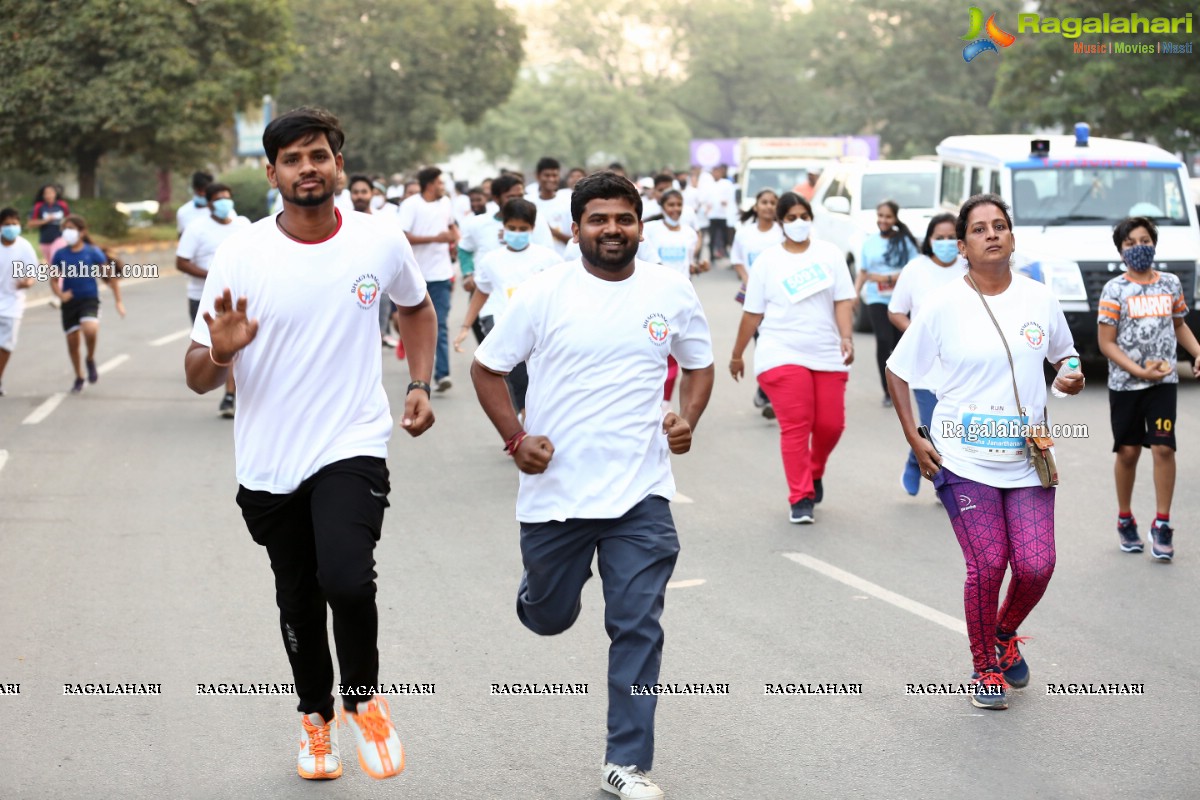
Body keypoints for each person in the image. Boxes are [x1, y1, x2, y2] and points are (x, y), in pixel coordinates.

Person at [184, 107, 438, 781]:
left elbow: (415, 305)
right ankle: (315, 723)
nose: (307, 168)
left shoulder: (378, 240)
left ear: (338, 165)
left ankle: (363, 699)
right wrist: (221, 350)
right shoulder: (242, 252)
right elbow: (195, 377)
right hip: (269, 460)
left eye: (318, 155)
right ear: (271, 173)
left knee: (347, 580)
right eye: (292, 159)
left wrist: (418, 381)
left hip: (351, 441)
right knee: (297, 596)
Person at [470, 172, 714, 800]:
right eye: (598, 220)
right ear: (575, 228)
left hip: (641, 494)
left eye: (623, 219)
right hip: (557, 494)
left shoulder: (670, 290)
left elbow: (699, 363)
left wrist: (686, 418)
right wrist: (516, 439)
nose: (612, 230)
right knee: (548, 618)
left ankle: (625, 763)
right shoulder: (543, 293)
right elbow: (487, 367)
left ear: (640, 225)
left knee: (637, 625)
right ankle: (541, 595)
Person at [885, 193, 1083, 711]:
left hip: (1026, 458)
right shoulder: (944, 304)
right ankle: (985, 667)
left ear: (1012, 238)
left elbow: (1065, 356)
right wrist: (914, 436)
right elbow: (898, 370)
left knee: (1037, 565)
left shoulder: (1040, 298)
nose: (991, 234)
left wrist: (1070, 377)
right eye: (978, 229)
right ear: (963, 247)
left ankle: (1003, 633)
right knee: (989, 562)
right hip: (963, 458)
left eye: (1000, 226)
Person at [729, 192, 854, 524]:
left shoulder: (829, 254)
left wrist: (846, 335)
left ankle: (814, 470)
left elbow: (843, 299)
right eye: (792, 217)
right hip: (780, 351)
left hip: (826, 350)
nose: (799, 222)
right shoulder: (768, 261)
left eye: (804, 216)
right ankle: (800, 497)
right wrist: (737, 353)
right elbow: (752, 312)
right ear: (781, 223)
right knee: (797, 425)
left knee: (831, 425)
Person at [1098, 216, 1200, 561]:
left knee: (1163, 449)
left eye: (1144, 240)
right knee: (1128, 452)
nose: (1139, 247)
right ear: (1121, 250)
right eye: (1130, 243)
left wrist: (1198, 351)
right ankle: (1125, 517)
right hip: (1126, 386)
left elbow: (1180, 325)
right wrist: (1138, 370)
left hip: (1164, 384)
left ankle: (1163, 524)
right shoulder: (1114, 289)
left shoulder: (1169, 284)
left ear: (1154, 244)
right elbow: (1106, 343)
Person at [453, 198, 561, 417]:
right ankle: (523, 425)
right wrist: (465, 326)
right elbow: (481, 292)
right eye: (512, 228)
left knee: (539, 382)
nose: (517, 233)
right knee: (517, 378)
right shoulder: (492, 260)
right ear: (503, 226)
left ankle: (532, 421)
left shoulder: (550, 259)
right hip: (505, 326)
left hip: (541, 331)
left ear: (532, 228)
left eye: (523, 229)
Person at [887, 213, 966, 495]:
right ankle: (916, 462)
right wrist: (919, 336)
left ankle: (944, 481)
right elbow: (895, 310)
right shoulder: (915, 269)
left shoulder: (970, 268)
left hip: (962, 363)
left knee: (952, 429)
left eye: (950, 238)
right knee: (933, 425)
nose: (945, 243)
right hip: (925, 366)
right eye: (939, 238)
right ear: (929, 240)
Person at [176, 182, 252, 417]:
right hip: (202, 298)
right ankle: (226, 388)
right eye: (219, 199)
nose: (224, 203)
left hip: (237, 299)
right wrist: (212, 276)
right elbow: (181, 261)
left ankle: (230, 394)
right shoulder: (196, 228)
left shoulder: (244, 225)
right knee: (216, 346)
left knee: (233, 345)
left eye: (227, 198)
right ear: (209, 204)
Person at [398, 166, 458, 391]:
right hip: (415, 275)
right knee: (414, 325)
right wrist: (435, 238)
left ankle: (442, 374)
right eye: (440, 183)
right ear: (430, 184)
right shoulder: (410, 205)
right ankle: (419, 372)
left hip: (441, 275)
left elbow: (451, 226)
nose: (443, 187)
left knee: (440, 324)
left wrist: (455, 240)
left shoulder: (445, 203)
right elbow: (402, 236)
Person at [49, 215, 125, 393]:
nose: (68, 232)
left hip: (89, 299)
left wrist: (119, 301)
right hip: (70, 302)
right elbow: (53, 280)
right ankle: (79, 376)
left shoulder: (92, 252)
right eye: (65, 229)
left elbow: (110, 277)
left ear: (82, 232)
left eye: (72, 228)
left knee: (90, 329)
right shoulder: (60, 255)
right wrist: (60, 294)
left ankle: (90, 358)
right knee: (72, 341)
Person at [855, 200, 919, 406]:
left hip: (901, 301)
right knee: (883, 341)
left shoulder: (905, 243)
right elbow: (864, 272)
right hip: (877, 299)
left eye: (888, 216)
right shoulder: (870, 242)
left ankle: (904, 382)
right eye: (880, 215)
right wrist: (854, 294)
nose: (883, 220)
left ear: (895, 218)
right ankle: (888, 391)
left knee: (901, 344)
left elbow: (915, 270)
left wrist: (888, 279)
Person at [730, 189, 786, 418]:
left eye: (773, 203)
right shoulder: (744, 234)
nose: (769, 206)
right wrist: (748, 281)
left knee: (778, 343)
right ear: (756, 206)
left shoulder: (783, 233)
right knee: (762, 342)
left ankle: (770, 392)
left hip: (780, 298)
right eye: (764, 202)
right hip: (754, 299)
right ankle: (766, 389)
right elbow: (737, 261)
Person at [0, 208, 38, 396]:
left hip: (13, 303)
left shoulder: (24, 247)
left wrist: (27, 283)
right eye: (7, 224)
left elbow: (32, 275)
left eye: (15, 224)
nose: (11, 227)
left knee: (6, 345)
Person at [527, 157, 573, 255]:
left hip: (561, 260)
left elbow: (574, 240)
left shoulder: (568, 202)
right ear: (538, 176)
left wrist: (550, 231)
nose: (551, 179)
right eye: (547, 175)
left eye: (554, 175)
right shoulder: (528, 202)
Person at [28, 184, 71, 265]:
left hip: (60, 237)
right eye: (46, 193)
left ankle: (63, 277)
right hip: (45, 240)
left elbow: (70, 220)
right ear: (43, 195)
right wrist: (46, 221)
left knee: (57, 261)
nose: (49, 195)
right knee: (51, 265)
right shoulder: (39, 206)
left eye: (51, 192)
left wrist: (64, 222)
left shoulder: (62, 205)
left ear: (55, 193)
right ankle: (57, 277)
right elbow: (30, 223)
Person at [706, 165, 735, 260]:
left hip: (723, 215)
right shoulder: (710, 185)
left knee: (725, 236)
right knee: (712, 237)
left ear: (721, 173)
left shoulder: (726, 183)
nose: (716, 174)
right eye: (714, 172)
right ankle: (711, 256)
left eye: (717, 172)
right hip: (713, 215)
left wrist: (726, 202)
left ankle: (725, 250)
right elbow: (707, 199)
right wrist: (707, 208)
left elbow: (730, 197)